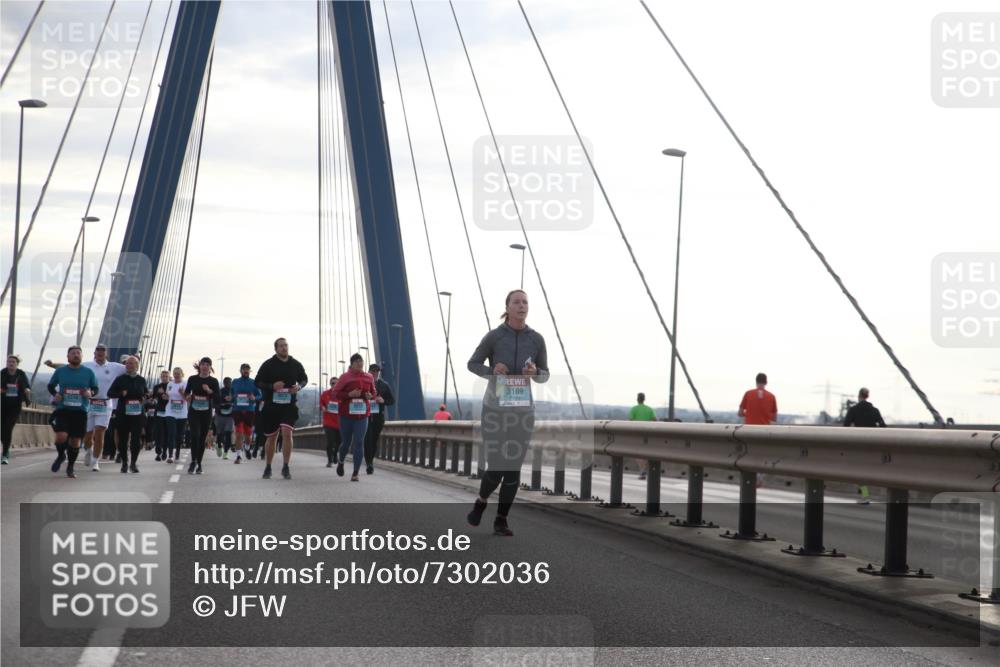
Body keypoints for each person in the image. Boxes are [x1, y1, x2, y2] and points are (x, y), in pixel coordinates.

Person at [466, 289, 549, 537]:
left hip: (523, 412)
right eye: (517, 302)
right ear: (508, 307)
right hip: (495, 410)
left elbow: (545, 374)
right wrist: (492, 371)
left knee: (513, 467)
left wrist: (534, 373)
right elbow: (472, 364)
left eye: (525, 301)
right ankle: (481, 501)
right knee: (498, 464)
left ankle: (501, 520)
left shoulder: (536, 339)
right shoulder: (494, 337)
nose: (522, 305)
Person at [46, 343, 127, 471]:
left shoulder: (114, 367)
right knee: (88, 435)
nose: (100, 353)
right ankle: (89, 449)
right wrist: (53, 365)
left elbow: (131, 367)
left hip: (105, 403)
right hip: (89, 403)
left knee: (100, 432)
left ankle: (95, 461)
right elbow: (68, 367)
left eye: (103, 351)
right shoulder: (87, 366)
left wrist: (135, 360)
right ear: (94, 353)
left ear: (106, 353)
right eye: (98, 350)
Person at [255, 337, 308, 480]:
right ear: (276, 349)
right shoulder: (268, 364)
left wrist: (299, 386)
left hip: (289, 406)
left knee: (287, 433)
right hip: (272, 406)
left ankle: (286, 466)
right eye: (281, 346)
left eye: (286, 345)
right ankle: (268, 466)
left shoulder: (295, 364)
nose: (284, 348)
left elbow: (304, 379)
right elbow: (257, 382)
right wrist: (272, 386)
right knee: (272, 438)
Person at [46, 346, 99, 478]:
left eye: (78, 353)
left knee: (75, 442)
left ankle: (70, 467)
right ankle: (60, 455)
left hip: (80, 411)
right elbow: (50, 385)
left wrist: (90, 393)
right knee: (61, 437)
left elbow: (95, 388)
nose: (76, 355)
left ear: (81, 357)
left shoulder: (88, 372)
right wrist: (55, 393)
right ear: (68, 357)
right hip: (63, 409)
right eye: (73, 353)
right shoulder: (61, 371)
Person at [331, 353, 376, 481]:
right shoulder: (345, 377)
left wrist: (370, 396)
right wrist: (349, 394)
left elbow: (373, 392)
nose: (360, 364)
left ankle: (355, 473)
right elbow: (335, 394)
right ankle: (341, 461)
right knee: (346, 442)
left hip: (362, 416)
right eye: (357, 362)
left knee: (359, 442)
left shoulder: (369, 377)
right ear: (351, 364)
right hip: (346, 416)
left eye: (361, 361)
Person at [843, 387, 885, 504]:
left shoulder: (854, 409)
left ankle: (865, 496)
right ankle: (865, 494)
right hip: (873, 445)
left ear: (859, 396)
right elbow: (883, 427)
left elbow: (845, 426)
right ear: (868, 396)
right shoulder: (875, 410)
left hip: (859, 446)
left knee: (860, 474)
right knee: (867, 471)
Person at [109, 356, 148, 473]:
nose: (129, 366)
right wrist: (121, 393)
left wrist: (145, 397)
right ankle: (125, 463)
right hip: (123, 414)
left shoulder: (141, 380)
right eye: (127, 364)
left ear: (137, 366)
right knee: (123, 440)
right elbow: (110, 393)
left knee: (136, 440)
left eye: (132, 364)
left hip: (137, 414)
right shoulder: (120, 379)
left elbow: (145, 393)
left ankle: (133, 463)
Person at [739, 372, 777, 488]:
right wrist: (764, 415)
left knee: (749, 453)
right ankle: (759, 478)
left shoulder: (748, 394)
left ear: (756, 382)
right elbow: (774, 418)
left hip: (749, 430)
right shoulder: (771, 396)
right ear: (766, 382)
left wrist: (749, 413)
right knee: (762, 455)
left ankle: (749, 478)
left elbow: (740, 413)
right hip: (764, 431)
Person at [185, 357, 219, 475]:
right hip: (194, 411)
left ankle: (199, 463)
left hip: (206, 412)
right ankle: (193, 461)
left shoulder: (213, 381)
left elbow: (217, 397)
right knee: (195, 435)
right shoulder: (192, 379)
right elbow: (186, 392)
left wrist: (209, 391)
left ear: (210, 367)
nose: (205, 366)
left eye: (207, 365)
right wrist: (187, 396)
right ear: (199, 366)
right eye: (203, 364)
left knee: (201, 438)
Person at [363, 364, 395, 474]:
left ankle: (370, 460)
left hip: (378, 417)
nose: (375, 373)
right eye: (373, 371)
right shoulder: (363, 383)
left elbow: (392, 401)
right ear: (368, 371)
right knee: (368, 440)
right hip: (365, 416)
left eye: (377, 371)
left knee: (374, 440)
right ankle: (369, 464)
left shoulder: (384, 385)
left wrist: (383, 400)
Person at [2, 355, 32, 464]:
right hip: (3, 404)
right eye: (9, 361)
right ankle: (6, 449)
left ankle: (5, 453)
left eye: (13, 362)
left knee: (8, 427)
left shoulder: (21, 374)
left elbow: (27, 386)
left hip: (15, 405)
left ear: (17, 363)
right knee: (2, 430)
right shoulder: (3, 373)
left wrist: (27, 390)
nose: (10, 363)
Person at [231, 363, 260, 463]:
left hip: (249, 411)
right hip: (237, 410)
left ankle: (247, 448)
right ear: (240, 371)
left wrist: (254, 398)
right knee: (239, 434)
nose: (245, 371)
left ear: (250, 371)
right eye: (244, 369)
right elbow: (231, 394)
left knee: (248, 435)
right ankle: (238, 456)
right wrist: (230, 398)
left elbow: (260, 396)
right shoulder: (235, 382)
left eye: (247, 369)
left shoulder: (254, 382)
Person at [628, 392, 656, 480]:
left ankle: (642, 470)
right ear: (644, 399)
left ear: (637, 399)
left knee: (637, 453)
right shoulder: (649, 409)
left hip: (637, 434)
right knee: (646, 453)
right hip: (647, 434)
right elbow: (655, 420)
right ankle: (644, 470)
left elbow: (630, 420)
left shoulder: (634, 409)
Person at [164, 367, 188, 464]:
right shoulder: (170, 384)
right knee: (171, 433)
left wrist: (182, 394)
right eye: (175, 373)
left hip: (182, 413)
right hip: (170, 411)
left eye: (178, 373)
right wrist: (165, 396)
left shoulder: (185, 384)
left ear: (182, 374)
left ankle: (177, 452)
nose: (176, 375)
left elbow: (187, 398)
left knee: (179, 435)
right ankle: (170, 455)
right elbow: (168, 396)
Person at [319, 376, 341, 468]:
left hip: (340, 423)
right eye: (332, 383)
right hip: (328, 422)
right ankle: (329, 460)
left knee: (339, 442)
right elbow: (321, 404)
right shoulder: (325, 394)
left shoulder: (342, 395)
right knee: (330, 442)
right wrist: (323, 407)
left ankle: (335, 453)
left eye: (336, 383)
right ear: (330, 384)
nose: (334, 385)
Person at [214, 377, 235, 459]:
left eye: (230, 382)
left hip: (230, 416)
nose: (228, 384)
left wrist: (232, 402)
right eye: (226, 382)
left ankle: (226, 452)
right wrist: (220, 405)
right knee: (220, 434)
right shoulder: (220, 392)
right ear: (224, 383)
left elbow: (237, 400)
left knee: (228, 433)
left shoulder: (233, 392)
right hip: (220, 415)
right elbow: (214, 403)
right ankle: (218, 446)